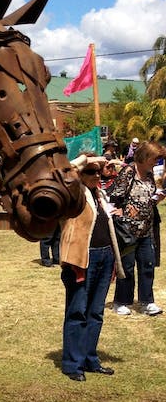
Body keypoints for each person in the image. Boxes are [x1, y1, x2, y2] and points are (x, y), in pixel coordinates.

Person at [59, 154, 125, 381]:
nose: (97, 175)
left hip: (105, 256)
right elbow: (64, 172)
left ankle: (89, 359)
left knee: (95, 313)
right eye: (91, 171)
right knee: (77, 311)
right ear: (81, 173)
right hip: (82, 259)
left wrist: (111, 163)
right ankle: (72, 364)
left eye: (99, 172)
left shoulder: (100, 194)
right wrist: (88, 158)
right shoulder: (73, 193)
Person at [109, 140, 165, 316]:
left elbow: (147, 197)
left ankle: (147, 301)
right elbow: (114, 196)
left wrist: (157, 199)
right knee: (126, 267)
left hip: (146, 229)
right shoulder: (128, 172)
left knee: (147, 265)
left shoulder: (149, 176)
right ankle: (121, 301)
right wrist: (122, 211)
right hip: (127, 230)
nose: (156, 162)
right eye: (154, 158)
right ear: (145, 156)